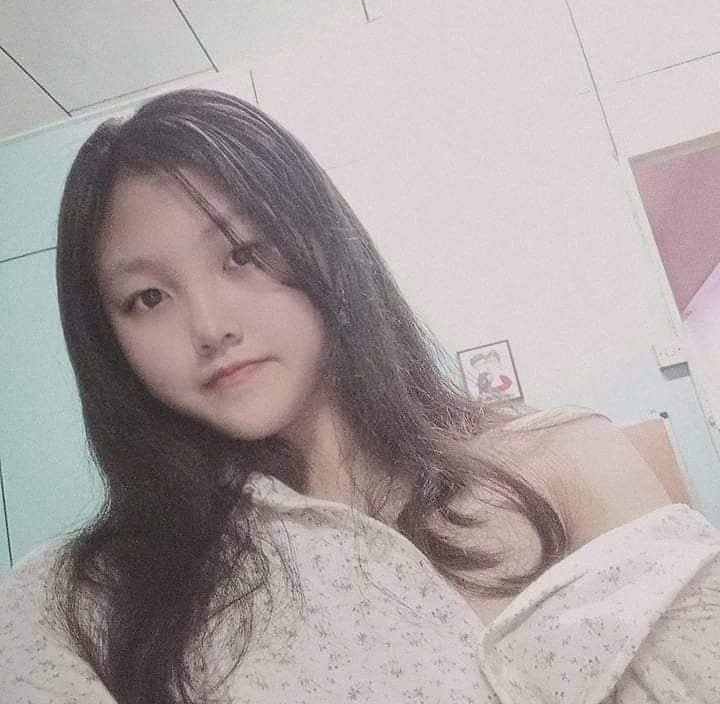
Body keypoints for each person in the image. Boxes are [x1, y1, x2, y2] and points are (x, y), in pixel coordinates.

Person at [1, 88, 718, 704]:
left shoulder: (565, 457)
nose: (210, 327)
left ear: (325, 247)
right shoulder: (71, 604)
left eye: (244, 254)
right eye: (149, 297)